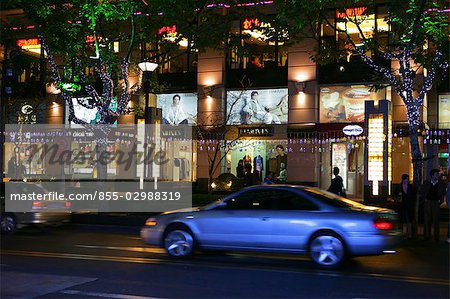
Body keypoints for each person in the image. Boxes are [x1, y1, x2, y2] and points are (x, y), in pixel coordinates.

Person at [421, 169, 446, 241]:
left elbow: (443, 192)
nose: (437, 175)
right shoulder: (426, 182)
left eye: (437, 174)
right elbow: (422, 191)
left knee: (436, 219)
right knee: (427, 219)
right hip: (428, 201)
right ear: (432, 175)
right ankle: (426, 235)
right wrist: (424, 199)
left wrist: (440, 201)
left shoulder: (441, 183)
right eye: (436, 174)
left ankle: (436, 236)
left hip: (436, 202)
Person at [398, 174, 416, 239]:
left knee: (409, 220)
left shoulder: (411, 186)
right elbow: (396, 194)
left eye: (408, 179)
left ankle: (409, 234)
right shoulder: (399, 186)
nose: (407, 180)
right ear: (403, 179)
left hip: (409, 205)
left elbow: (413, 195)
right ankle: (401, 234)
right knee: (401, 220)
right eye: (406, 179)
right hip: (401, 205)